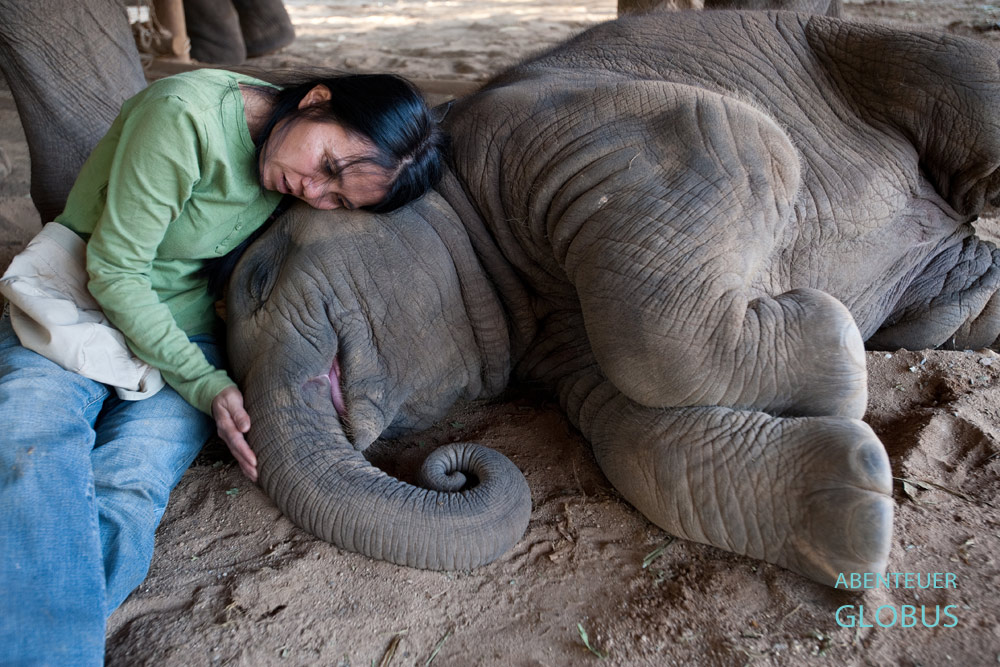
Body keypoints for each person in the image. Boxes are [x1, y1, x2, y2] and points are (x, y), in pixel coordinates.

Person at [0, 67, 445, 665]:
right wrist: (205, 383)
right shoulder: (185, 116)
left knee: (131, 482)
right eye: (328, 166)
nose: (313, 192)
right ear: (316, 100)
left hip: (183, 330)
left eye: (337, 199)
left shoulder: (292, 159)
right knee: (31, 446)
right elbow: (115, 270)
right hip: (72, 298)